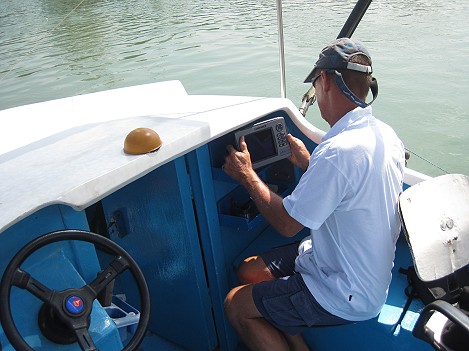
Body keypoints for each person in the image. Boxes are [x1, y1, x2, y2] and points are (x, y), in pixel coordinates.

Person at [222, 37, 406, 351]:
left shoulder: (337, 151)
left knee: (235, 305)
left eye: (316, 84)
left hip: (344, 291)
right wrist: (308, 162)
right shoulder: (385, 135)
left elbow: (287, 224)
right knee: (249, 271)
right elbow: (349, 190)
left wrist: (246, 175)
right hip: (354, 271)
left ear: (324, 81)